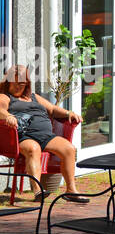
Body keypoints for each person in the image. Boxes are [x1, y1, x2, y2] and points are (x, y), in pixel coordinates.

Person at [0, 66, 89, 202]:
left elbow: (52, 109)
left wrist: (68, 113)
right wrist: (7, 116)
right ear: (8, 82)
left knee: (69, 149)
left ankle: (71, 190)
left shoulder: (34, 97)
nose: (18, 87)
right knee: (33, 149)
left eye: (22, 84)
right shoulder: (5, 97)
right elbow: (0, 109)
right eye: (15, 83)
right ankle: (37, 190)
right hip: (23, 136)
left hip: (45, 136)